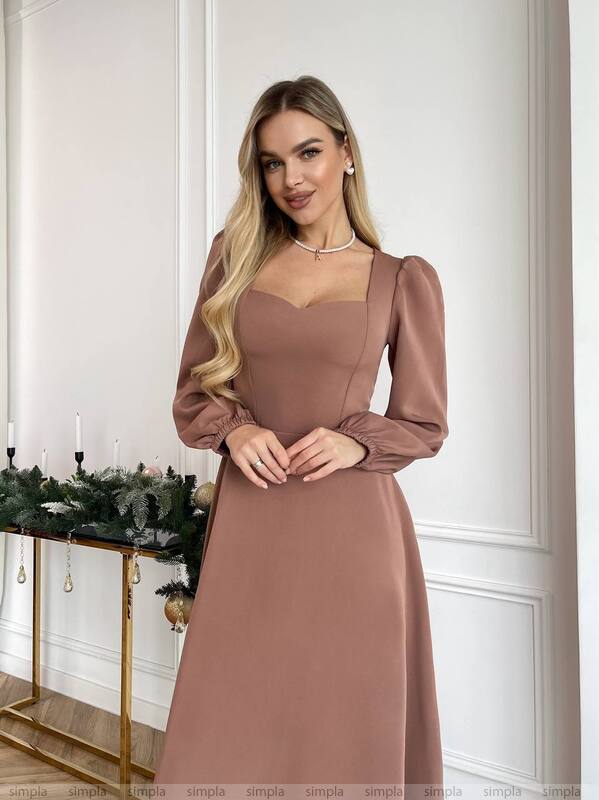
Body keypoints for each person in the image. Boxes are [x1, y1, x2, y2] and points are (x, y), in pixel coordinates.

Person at [154, 75, 449, 797]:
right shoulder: (235, 259)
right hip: (253, 520)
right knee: (234, 719)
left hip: (355, 532)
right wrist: (235, 432)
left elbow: (425, 423)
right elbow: (193, 392)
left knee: (346, 720)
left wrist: (357, 443)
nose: (291, 178)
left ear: (346, 153)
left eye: (309, 152)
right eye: (272, 162)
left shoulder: (401, 279)